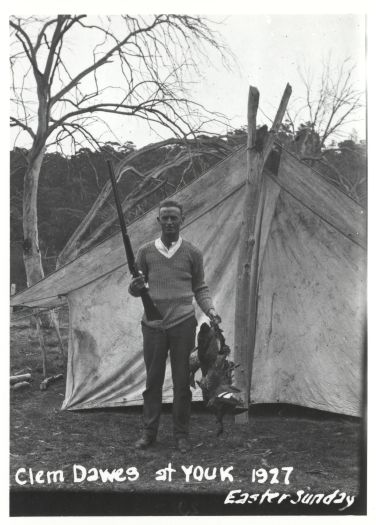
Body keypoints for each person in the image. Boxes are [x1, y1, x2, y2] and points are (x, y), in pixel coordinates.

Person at [128, 198, 221, 452]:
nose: (169, 222)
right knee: (153, 381)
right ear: (158, 221)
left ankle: (182, 435)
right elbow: (136, 287)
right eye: (165, 217)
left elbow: (200, 287)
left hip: (183, 324)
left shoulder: (193, 253)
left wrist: (211, 311)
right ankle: (149, 433)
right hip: (153, 324)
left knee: (182, 381)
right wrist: (135, 288)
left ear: (183, 220)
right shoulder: (145, 252)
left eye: (174, 217)